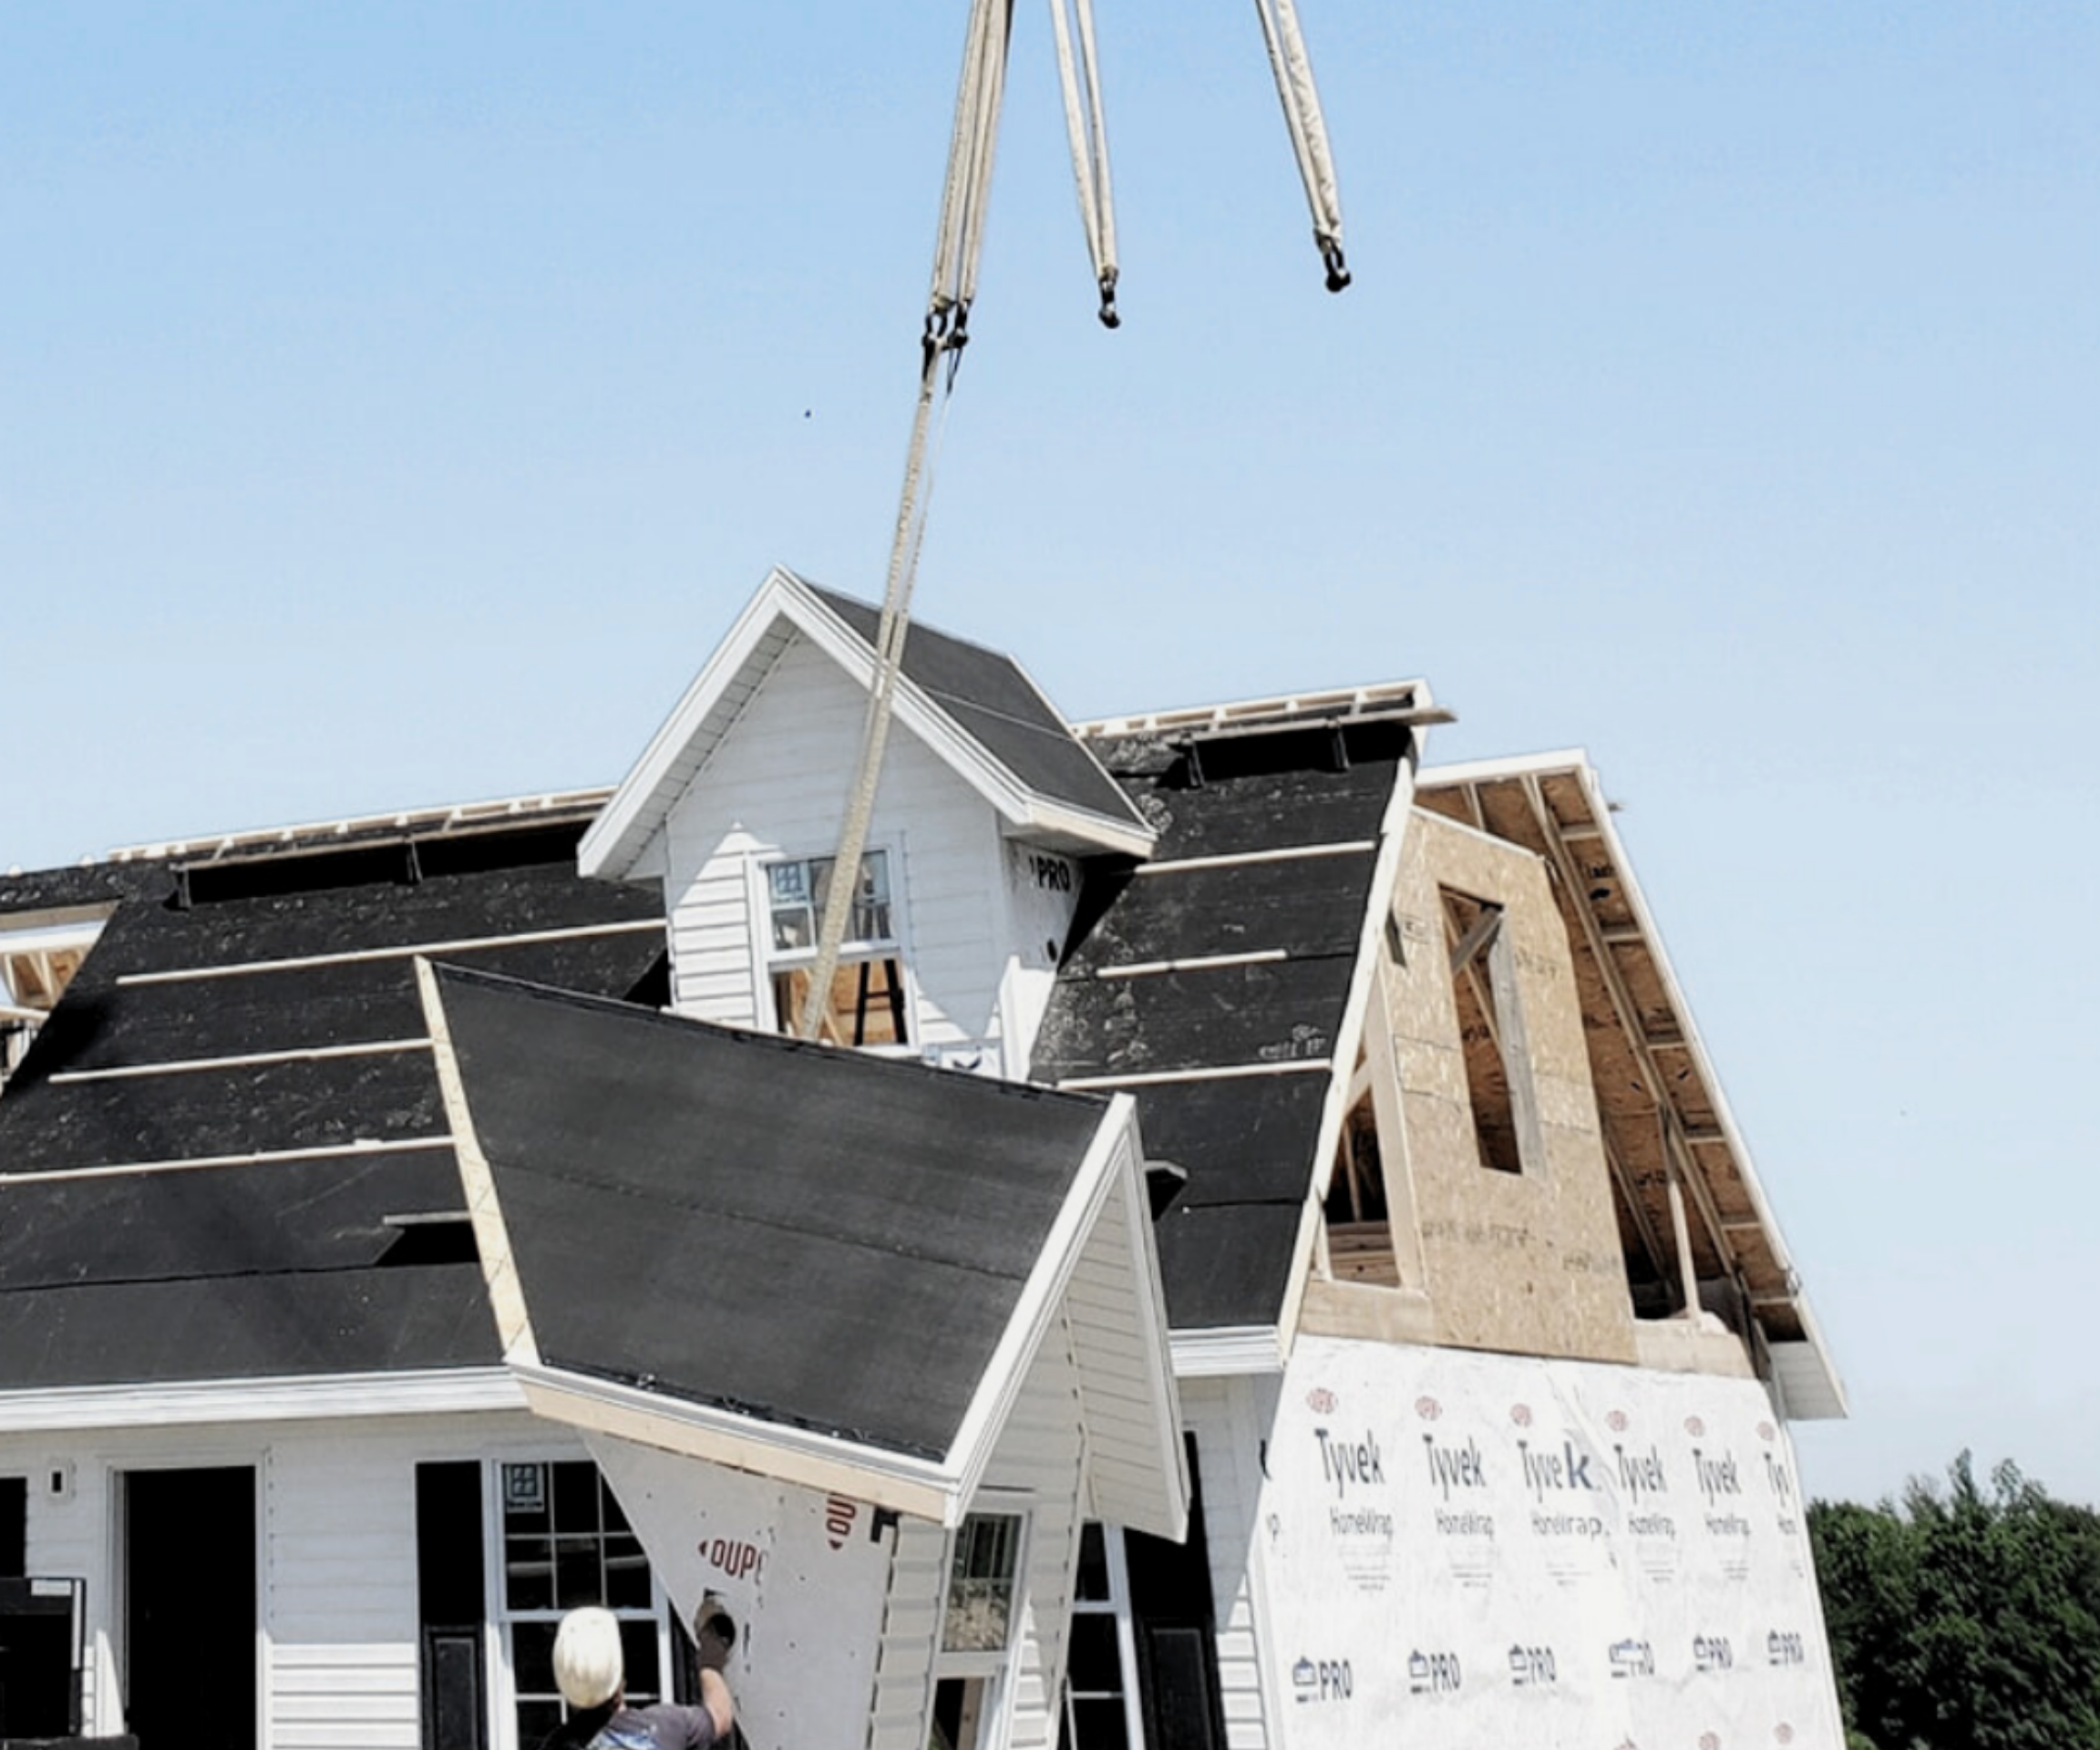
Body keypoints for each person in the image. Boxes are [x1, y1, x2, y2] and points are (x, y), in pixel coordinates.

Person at [540, 1598, 736, 1750]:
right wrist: (709, 1662)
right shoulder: (666, 1727)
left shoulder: (554, 1745)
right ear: (619, 1675)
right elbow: (720, 1716)